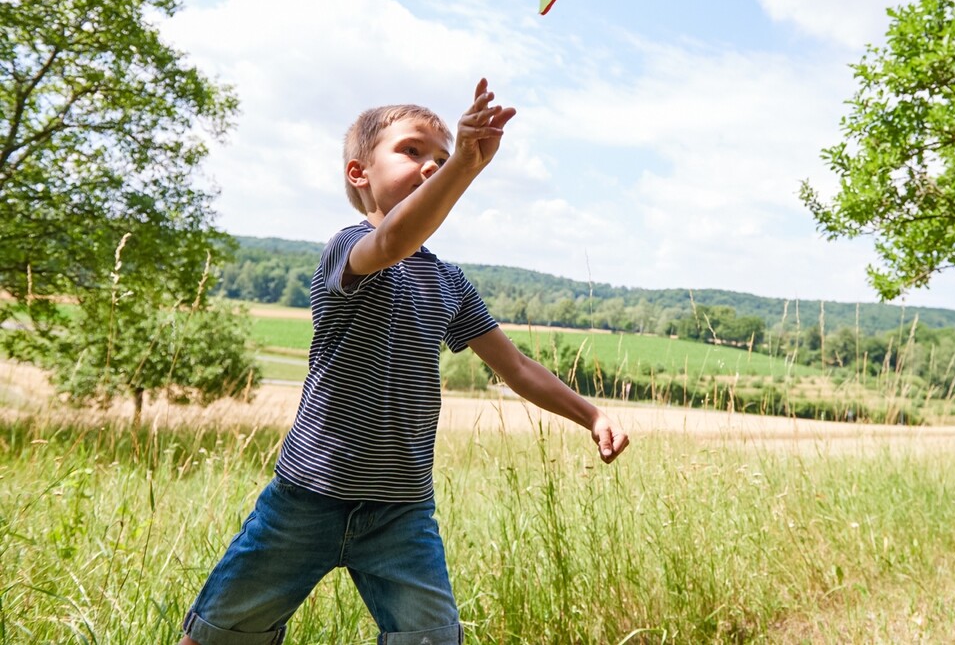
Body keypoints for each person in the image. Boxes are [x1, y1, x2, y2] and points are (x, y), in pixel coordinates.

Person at [179, 79, 630, 645]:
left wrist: (591, 414)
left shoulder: (449, 281)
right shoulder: (348, 250)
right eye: (411, 151)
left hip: (401, 512)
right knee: (220, 636)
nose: (430, 165)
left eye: (440, 156)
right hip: (308, 496)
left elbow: (514, 367)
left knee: (432, 639)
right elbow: (392, 242)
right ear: (359, 173)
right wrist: (462, 166)